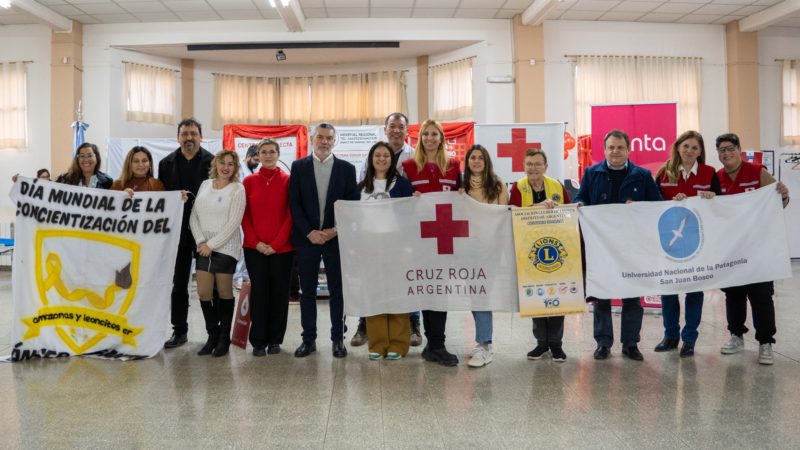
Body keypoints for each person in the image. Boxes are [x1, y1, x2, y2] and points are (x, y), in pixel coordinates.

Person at [574, 129, 662, 361]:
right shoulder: (591, 173)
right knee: (601, 294)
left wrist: (639, 206)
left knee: (632, 295)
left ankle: (631, 344)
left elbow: (657, 206)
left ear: (628, 150)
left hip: (632, 247)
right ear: (604, 150)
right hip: (601, 246)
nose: (615, 151)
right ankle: (603, 343)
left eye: (620, 147)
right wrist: (580, 204)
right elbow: (580, 197)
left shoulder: (642, 175)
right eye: (611, 147)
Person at [715, 133, 790, 365]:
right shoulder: (716, 178)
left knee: (761, 295)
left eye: (730, 148)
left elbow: (778, 202)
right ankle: (736, 335)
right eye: (722, 150)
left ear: (739, 149)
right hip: (732, 248)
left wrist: (784, 195)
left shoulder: (757, 172)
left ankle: (766, 342)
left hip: (759, 247)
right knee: (733, 294)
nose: (726, 153)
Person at [351, 112, 422, 348]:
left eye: (400, 127)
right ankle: (365, 324)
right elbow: (360, 196)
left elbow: (413, 195)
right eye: (392, 126)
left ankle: (413, 324)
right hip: (371, 239)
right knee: (371, 284)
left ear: (406, 130)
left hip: (398, 238)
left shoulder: (414, 157)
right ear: (385, 129)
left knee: (404, 283)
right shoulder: (370, 162)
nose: (396, 130)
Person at [289, 123, 358, 358]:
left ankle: (338, 339)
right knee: (307, 291)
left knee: (337, 291)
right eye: (320, 137)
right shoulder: (298, 167)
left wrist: (335, 230)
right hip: (307, 239)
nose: (325, 141)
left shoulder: (347, 169)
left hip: (335, 239)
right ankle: (308, 340)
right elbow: (294, 204)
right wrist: (310, 232)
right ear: (311, 139)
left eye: (329, 138)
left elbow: (352, 205)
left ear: (335, 141)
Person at [653, 131, 720, 358]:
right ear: (678, 147)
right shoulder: (664, 173)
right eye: (686, 146)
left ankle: (689, 338)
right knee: (668, 291)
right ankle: (670, 336)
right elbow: (652, 205)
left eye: (694, 147)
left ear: (700, 151)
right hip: (669, 245)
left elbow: (722, 206)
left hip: (697, 244)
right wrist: (669, 202)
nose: (689, 151)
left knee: (694, 291)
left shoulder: (710, 173)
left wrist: (713, 198)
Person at [401, 119, 462, 367]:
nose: (429, 138)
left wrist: (461, 196)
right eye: (425, 134)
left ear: (441, 138)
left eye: (434, 134)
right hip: (420, 239)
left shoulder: (454, 166)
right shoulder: (408, 166)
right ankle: (433, 343)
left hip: (446, 239)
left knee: (441, 290)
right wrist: (409, 198)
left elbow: (463, 198)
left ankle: (438, 343)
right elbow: (401, 202)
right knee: (427, 289)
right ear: (420, 138)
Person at [509, 149, 571, 363]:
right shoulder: (518, 187)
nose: (533, 168)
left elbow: (570, 212)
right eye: (529, 164)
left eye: (537, 164)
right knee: (536, 296)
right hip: (529, 251)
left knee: (557, 295)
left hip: (556, 249)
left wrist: (557, 208)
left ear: (546, 166)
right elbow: (512, 212)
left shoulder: (556, 186)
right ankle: (541, 343)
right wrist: (536, 208)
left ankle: (556, 344)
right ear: (524, 167)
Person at [158, 118, 215, 349]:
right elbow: (160, 200)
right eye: (185, 134)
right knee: (179, 284)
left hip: (206, 234)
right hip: (177, 234)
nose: (189, 138)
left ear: (201, 137)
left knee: (208, 286)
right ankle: (179, 331)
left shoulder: (213, 162)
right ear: (178, 137)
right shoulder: (165, 164)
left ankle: (214, 332)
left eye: (193, 134)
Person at [358, 141, 414, 360]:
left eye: (386, 156)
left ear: (392, 160)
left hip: (396, 246)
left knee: (397, 294)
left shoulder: (401, 185)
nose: (382, 159)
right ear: (371, 159)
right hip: (370, 247)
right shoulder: (361, 187)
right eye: (377, 155)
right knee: (374, 295)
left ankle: (399, 344)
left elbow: (410, 215)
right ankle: (377, 342)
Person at [189, 150, 246, 357]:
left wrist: (212, 244)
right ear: (216, 164)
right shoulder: (205, 184)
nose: (226, 167)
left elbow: (234, 223)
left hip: (226, 248)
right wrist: (200, 241)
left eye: (231, 164)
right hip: (203, 247)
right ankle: (212, 335)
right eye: (223, 162)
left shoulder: (237, 189)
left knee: (224, 293)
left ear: (235, 167)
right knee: (204, 293)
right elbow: (193, 216)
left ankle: (224, 338)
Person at [242, 139, 295, 357]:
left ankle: (275, 340)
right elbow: (244, 216)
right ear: (257, 156)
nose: (268, 155)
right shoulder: (249, 181)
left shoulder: (288, 180)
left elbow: (291, 215)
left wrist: (275, 244)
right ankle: (258, 340)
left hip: (282, 250)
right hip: (254, 249)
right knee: (260, 293)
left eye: (272, 152)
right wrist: (257, 243)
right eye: (263, 152)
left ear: (278, 154)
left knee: (279, 294)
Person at [462, 144, 508, 368]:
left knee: (482, 295)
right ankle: (483, 341)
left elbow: (502, 218)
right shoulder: (460, 186)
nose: (477, 161)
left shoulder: (498, 185)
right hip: (466, 249)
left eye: (481, 157)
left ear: (486, 161)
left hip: (488, 250)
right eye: (473, 158)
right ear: (467, 161)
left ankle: (484, 345)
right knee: (474, 296)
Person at [234, 144, 260, 290]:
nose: (257, 162)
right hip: (240, 212)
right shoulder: (239, 169)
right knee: (241, 246)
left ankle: (246, 275)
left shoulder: (255, 169)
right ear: (249, 156)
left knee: (250, 246)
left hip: (252, 213)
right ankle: (237, 276)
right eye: (255, 159)